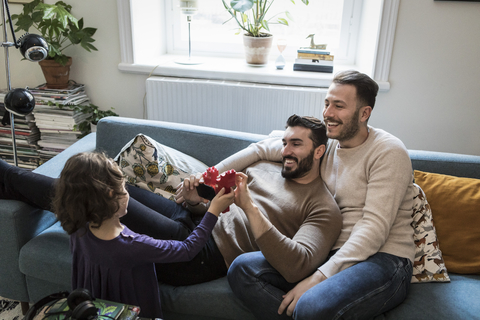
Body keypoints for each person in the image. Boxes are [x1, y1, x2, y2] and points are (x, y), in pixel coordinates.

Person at [0, 115, 341, 297]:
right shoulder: (266, 166)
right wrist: (194, 200)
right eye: (284, 142)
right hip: (195, 220)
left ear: (319, 151)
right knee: (118, 190)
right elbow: (207, 202)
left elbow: (297, 266)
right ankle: (9, 178)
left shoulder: (323, 207)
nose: (285, 150)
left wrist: (248, 206)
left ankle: (7, 176)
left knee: (98, 195)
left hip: (204, 255)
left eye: (296, 144)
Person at [221, 70, 416, 320]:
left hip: (384, 259)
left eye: (339, 106)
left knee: (312, 306)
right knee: (242, 269)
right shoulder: (327, 144)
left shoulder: (388, 152)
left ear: (364, 113)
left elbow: (374, 229)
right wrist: (211, 174)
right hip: (330, 253)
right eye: (326, 103)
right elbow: (261, 150)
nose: (328, 113)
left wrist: (319, 277)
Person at [57, 152, 234, 319]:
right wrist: (213, 211)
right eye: (124, 189)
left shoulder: (78, 230)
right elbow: (187, 249)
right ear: (111, 196)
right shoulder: (133, 245)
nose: (128, 193)